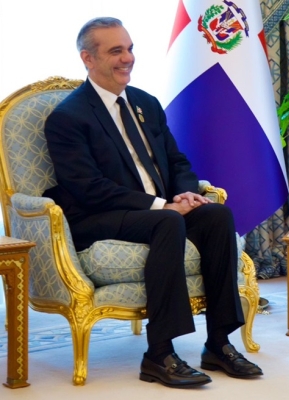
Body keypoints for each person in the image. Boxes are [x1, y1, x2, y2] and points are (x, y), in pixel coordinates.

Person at [43, 17, 263, 388]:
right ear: (88, 58)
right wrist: (161, 206)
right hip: (100, 215)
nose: (128, 58)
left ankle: (218, 343)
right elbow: (87, 188)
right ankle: (159, 353)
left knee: (216, 215)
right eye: (116, 51)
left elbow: (176, 160)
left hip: (158, 208)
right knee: (168, 222)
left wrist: (185, 193)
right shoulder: (68, 117)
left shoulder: (145, 102)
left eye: (129, 48)